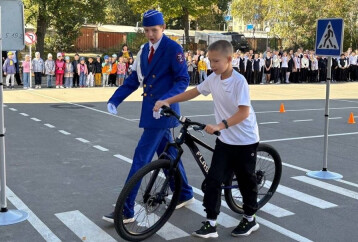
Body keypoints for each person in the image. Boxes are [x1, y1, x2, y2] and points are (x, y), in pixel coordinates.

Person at [154, 40, 260, 238]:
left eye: (216, 61)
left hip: (245, 140)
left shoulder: (239, 82)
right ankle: (211, 223)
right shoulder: (213, 79)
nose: (212, 65)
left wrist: (221, 125)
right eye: (210, 61)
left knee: (246, 181)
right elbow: (194, 92)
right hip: (225, 141)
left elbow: (244, 112)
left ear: (229, 59)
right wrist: (167, 100)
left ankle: (250, 218)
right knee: (213, 181)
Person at [104, 9, 194, 224]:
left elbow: (182, 80)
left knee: (141, 159)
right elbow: (134, 79)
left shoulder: (173, 49)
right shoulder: (144, 50)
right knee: (168, 154)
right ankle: (183, 193)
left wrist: (166, 100)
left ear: (163, 28)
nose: (151, 34)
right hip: (150, 111)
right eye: (146, 30)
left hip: (164, 111)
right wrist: (115, 99)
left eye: (154, 30)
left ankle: (126, 209)